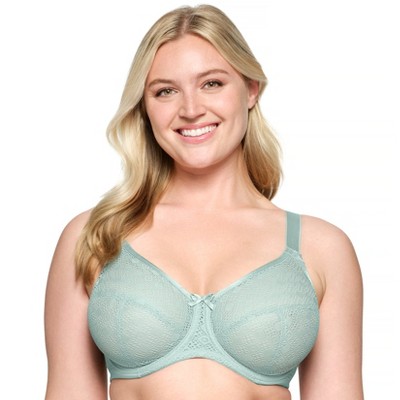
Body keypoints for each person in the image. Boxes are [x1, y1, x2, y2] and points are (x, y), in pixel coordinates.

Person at [44, 4, 364, 400]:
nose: (191, 110)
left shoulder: (321, 247)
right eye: (165, 91)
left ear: (251, 89)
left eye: (211, 83)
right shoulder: (95, 237)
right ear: (144, 106)